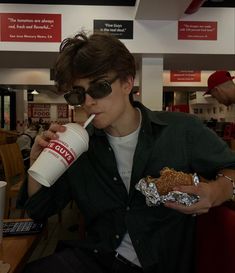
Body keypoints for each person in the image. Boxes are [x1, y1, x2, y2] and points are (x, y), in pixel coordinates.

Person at [17, 32, 235, 273]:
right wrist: (38, 165)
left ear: (127, 83)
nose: (88, 101)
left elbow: (231, 168)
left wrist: (216, 191)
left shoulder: (182, 130)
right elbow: (39, 210)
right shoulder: (78, 148)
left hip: (163, 264)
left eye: (99, 87)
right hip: (98, 258)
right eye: (78, 93)